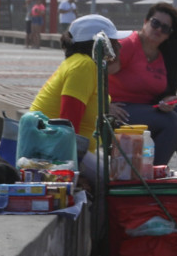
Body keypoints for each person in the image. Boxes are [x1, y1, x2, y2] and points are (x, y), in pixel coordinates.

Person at [105, 2, 177, 171]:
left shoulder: (165, 56)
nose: (159, 30)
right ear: (145, 22)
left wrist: (167, 101)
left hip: (144, 110)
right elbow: (94, 72)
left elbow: (161, 91)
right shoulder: (129, 45)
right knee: (170, 122)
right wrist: (104, 104)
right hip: (118, 110)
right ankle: (150, 178)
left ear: (169, 35)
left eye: (165, 28)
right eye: (155, 23)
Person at [29, 13, 120, 190]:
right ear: (99, 43)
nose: (119, 45)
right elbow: (67, 125)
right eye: (114, 41)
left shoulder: (82, 63)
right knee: (116, 181)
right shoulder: (83, 66)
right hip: (51, 152)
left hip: (60, 148)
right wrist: (71, 176)